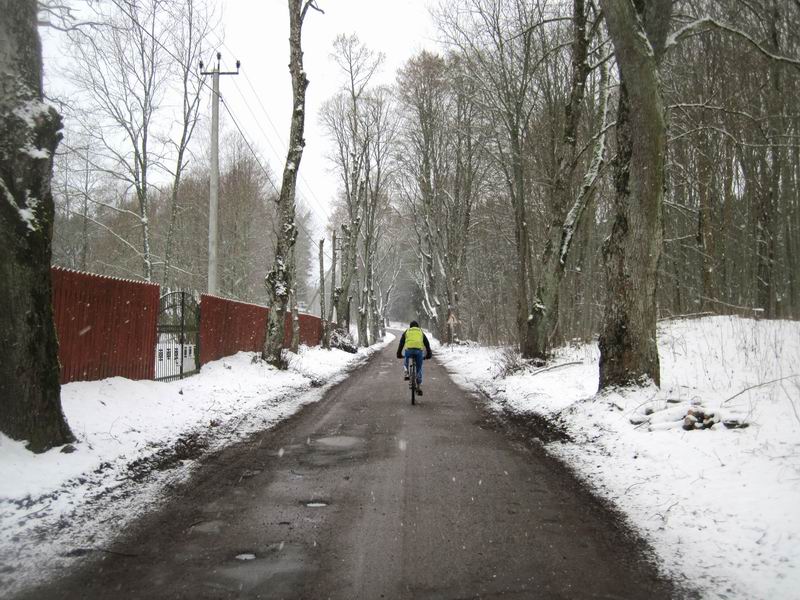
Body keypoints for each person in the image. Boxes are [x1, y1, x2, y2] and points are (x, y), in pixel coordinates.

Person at [396, 321, 432, 395]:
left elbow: (401, 343)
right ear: (417, 326)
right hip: (418, 351)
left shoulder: (407, 331)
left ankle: (406, 371)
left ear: (410, 326)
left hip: (409, 350)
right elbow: (427, 343)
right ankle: (418, 385)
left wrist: (399, 353)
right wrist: (429, 354)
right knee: (419, 367)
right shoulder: (420, 332)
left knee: (406, 357)